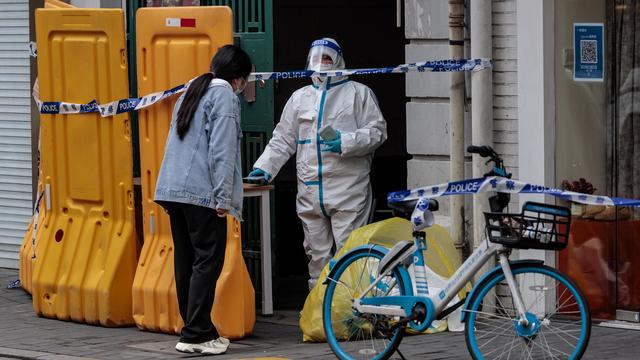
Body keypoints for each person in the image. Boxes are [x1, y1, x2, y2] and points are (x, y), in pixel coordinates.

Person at [248, 37, 387, 289]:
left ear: (338, 61)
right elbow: (283, 139)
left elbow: (377, 132)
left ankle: (348, 311)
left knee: (350, 253)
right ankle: (320, 311)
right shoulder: (300, 98)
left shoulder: (359, 94)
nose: (321, 64)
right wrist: (265, 167)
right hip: (310, 191)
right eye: (317, 58)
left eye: (327, 58)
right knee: (316, 256)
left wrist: (346, 141)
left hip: (348, 190)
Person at [154, 44, 252, 355]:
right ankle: (195, 334)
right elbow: (222, 151)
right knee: (207, 262)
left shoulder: (192, 90)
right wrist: (223, 197)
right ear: (238, 79)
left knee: (187, 261)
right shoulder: (223, 95)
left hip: (173, 188)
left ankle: (200, 330)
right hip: (201, 193)